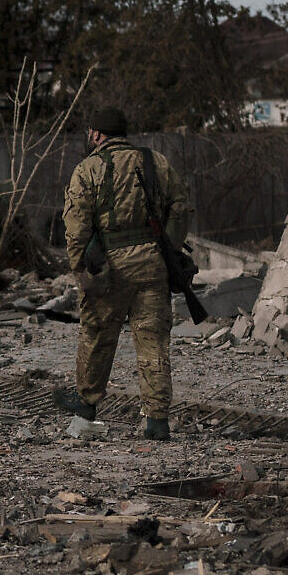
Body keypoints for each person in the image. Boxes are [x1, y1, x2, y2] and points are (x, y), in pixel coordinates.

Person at [55, 106, 192, 439]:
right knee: (153, 343)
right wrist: (168, 248)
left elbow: (75, 229)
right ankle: (157, 421)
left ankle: (87, 403)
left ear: (97, 134)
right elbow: (182, 206)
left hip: (110, 268)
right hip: (152, 264)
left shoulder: (87, 169)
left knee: (98, 336)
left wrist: (82, 271)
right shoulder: (155, 162)